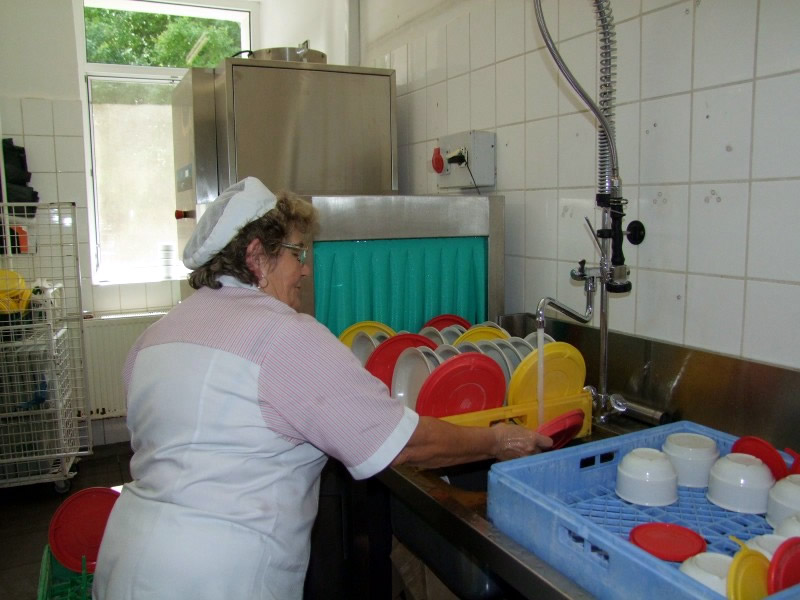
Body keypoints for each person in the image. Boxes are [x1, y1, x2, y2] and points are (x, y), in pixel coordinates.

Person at [92, 177, 551, 600]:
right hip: (217, 579)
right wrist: (497, 439)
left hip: (125, 562)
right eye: (297, 253)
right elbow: (404, 444)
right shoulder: (283, 336)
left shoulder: (154, 338)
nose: (306, 270)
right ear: (256, 256)